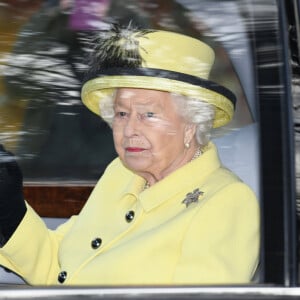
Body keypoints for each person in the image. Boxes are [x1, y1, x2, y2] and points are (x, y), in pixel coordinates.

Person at [0, 24, 259, 285]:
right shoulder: (120, 173)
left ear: (191, 123)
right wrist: (8, 209)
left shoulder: (227, 201)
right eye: (122, 114)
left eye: (149, 114)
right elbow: (58, 267)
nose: (130, 129)